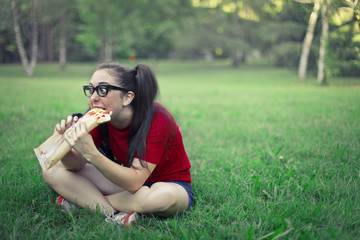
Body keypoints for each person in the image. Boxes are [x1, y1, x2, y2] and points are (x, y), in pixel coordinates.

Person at [42, 62, 193, 226]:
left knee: (163, 198)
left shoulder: (157, 118)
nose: (93, 98)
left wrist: (92, 154)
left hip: (168, 184)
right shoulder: (98, 118)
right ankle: (113, 215)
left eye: (103, 90)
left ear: (127, 97)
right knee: (52, 170)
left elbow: (135, 181)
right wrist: (66, 146)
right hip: (128, 186)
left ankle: (88, 201)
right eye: (91, 90)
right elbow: (75, 165)